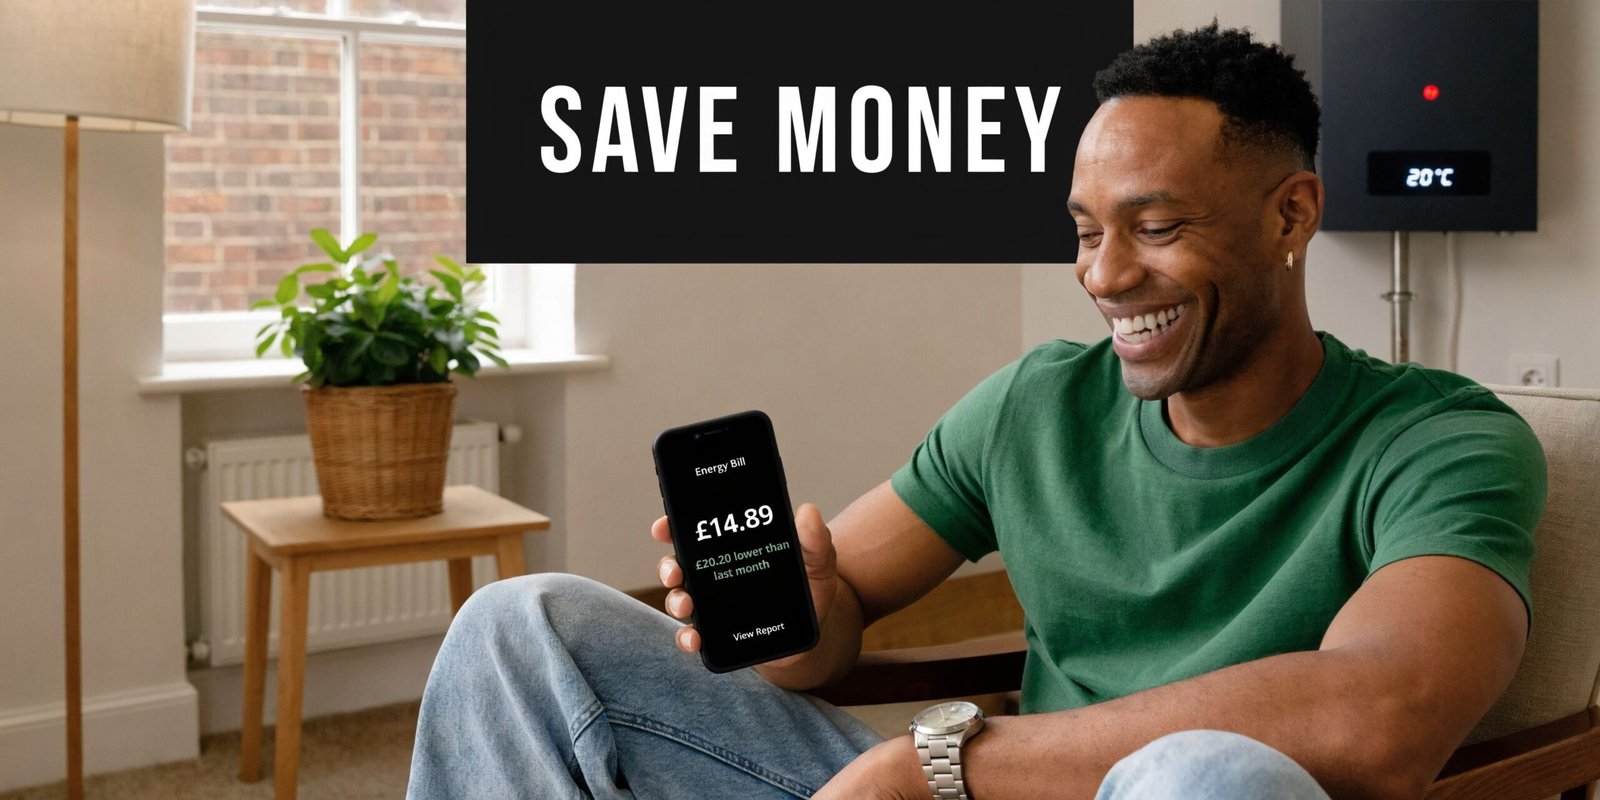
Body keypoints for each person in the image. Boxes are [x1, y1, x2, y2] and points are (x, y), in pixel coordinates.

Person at [407, 23, 1544, 800]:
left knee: (1207, 773)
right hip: (952, 785)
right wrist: (804, 611)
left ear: (1290, 216)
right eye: (1085, 229)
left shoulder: (1438, 440)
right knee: (525, 624)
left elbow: (1381, 714)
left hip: (1074, 787)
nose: (1104, 275)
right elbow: (835, 621)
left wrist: (941, 763)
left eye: (1153, 227)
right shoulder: (1035, 402)